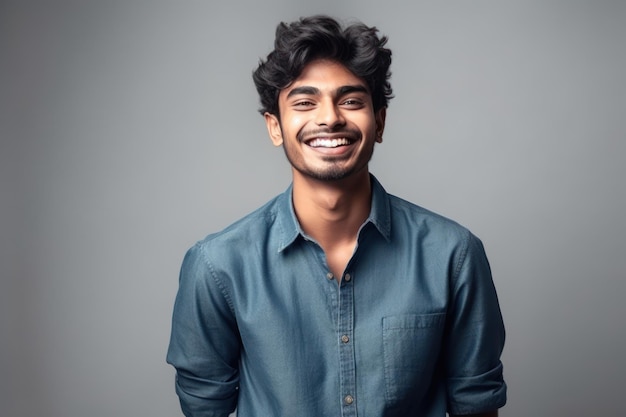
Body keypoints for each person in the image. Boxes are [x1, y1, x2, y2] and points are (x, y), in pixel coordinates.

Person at [167, 15, 506, 417]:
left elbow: (477, 404)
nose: (329, 118)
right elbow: (204, 407)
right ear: (275, 127)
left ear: (379, 122)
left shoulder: (453, 255)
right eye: (305, 102)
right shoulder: (217, 266)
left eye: (350, 100)